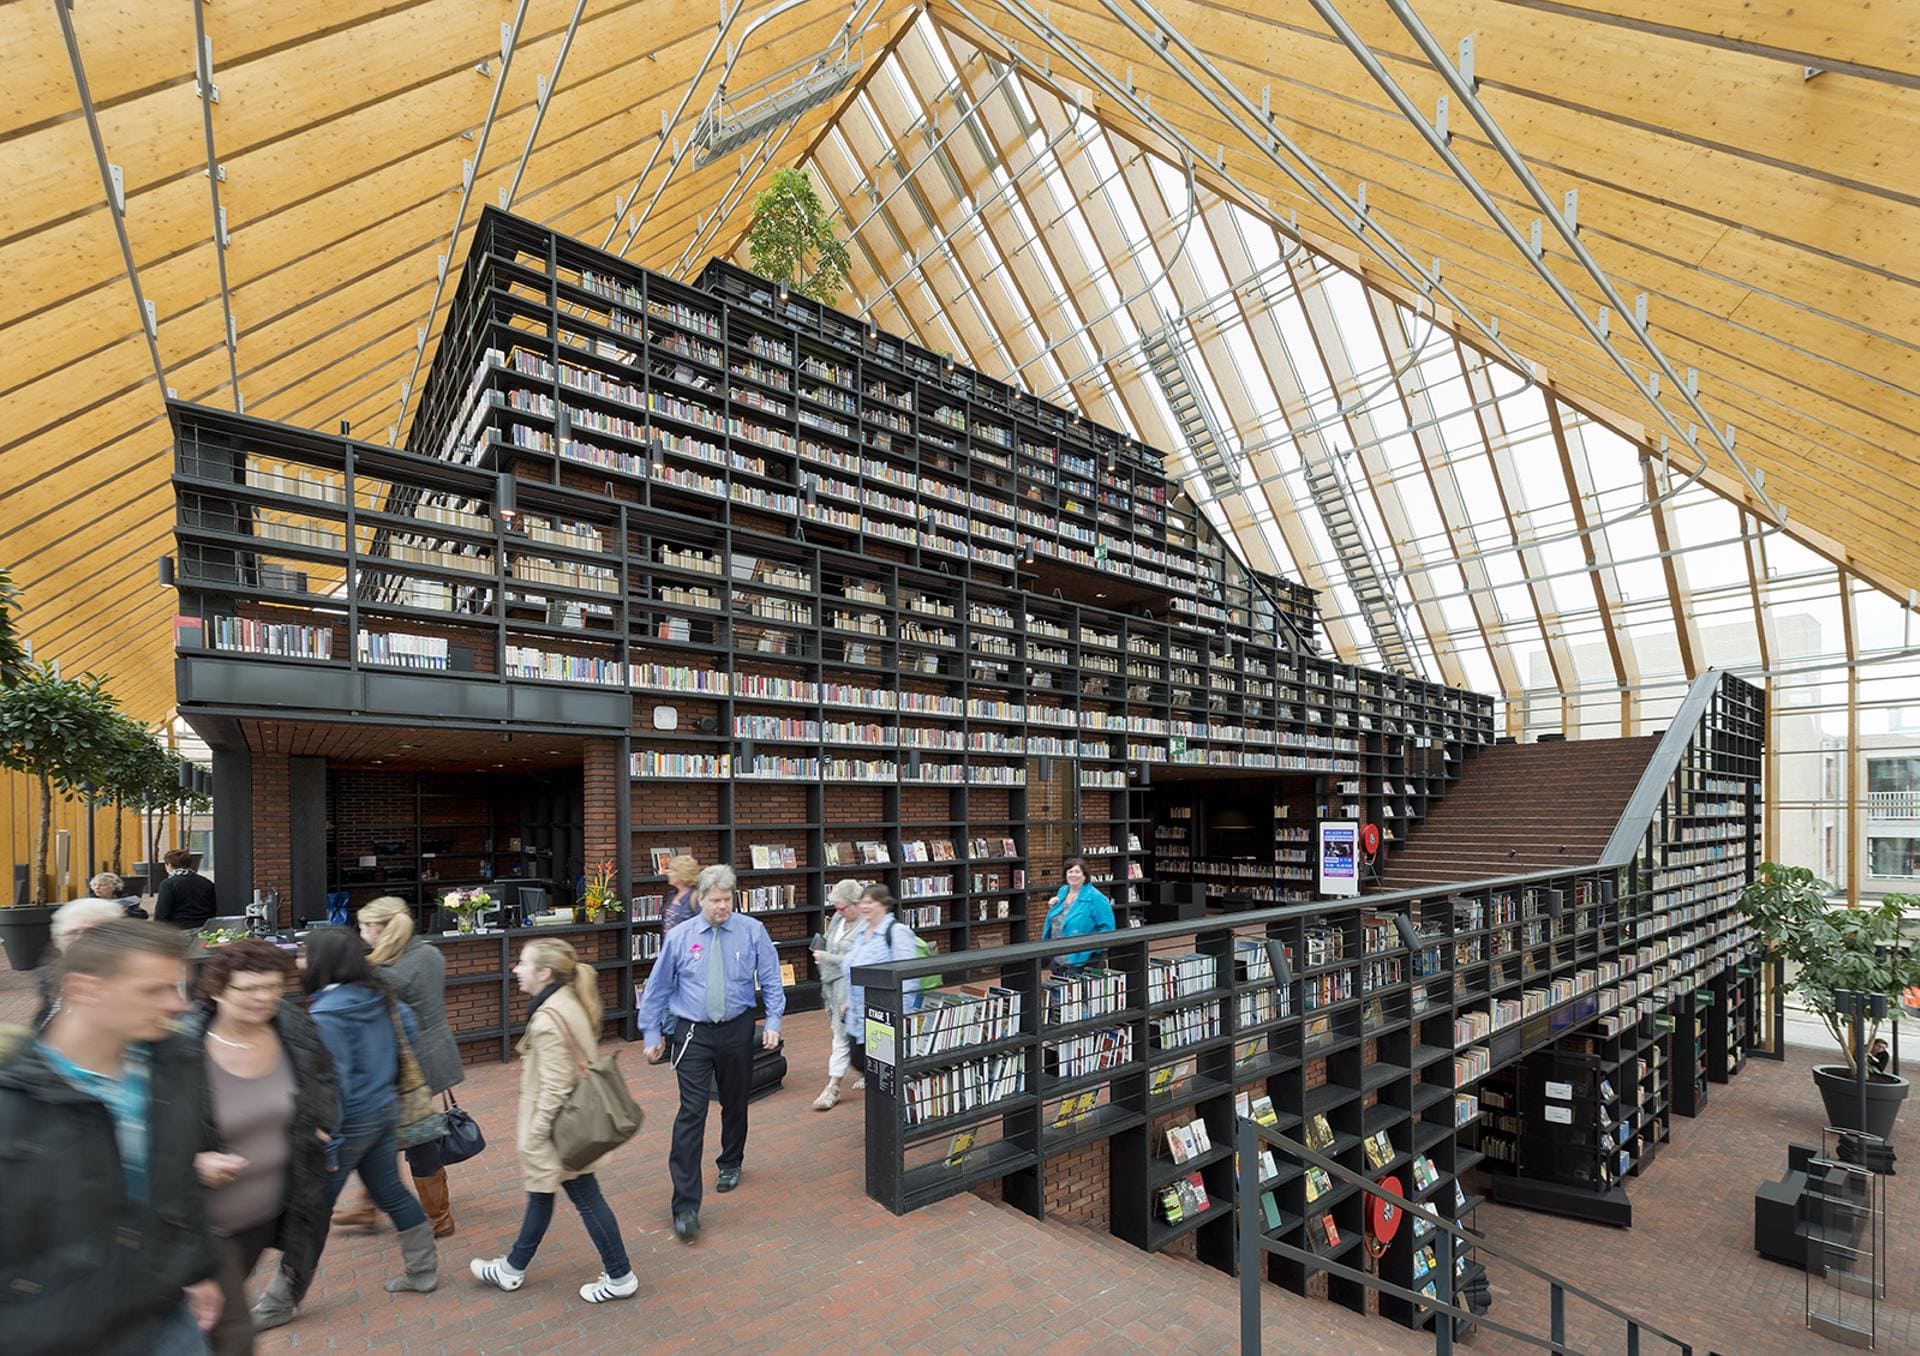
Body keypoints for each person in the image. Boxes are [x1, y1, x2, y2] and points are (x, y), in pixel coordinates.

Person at [0, 919, 222, 1356]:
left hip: (163, 1319)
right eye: (153, 989)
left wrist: (195, 1269)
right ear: (86, 989)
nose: (179, 1004)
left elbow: (177, 1183)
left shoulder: (176, 1064)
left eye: (180, 987)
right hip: (48, 1335)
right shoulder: (13, 1103)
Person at [185, 940, 337, 1356]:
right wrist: (191, 1161)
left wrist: (320, 1122)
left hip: (270, 1212)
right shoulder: (184, 1047)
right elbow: (148, 1129)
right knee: (232, 1334)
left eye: (272, 986)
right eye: (248, 989)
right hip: (206, 1221)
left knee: (207, 1323)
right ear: (217, 989)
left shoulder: (291, 1025)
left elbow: (323, 1076)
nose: (263, 998)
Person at [469, 938, 637, 1303]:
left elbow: (556, 1086)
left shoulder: (546, 1018)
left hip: (560, 1130)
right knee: (543, 1194)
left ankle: (620, 1275)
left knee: (584, 1197)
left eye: (522, 963)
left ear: (544, 973)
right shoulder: (567, 1000)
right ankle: (512, 1269)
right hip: (571, 1124)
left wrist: (536, 1133)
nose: (516, 969)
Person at [638, 863, 784, 1244]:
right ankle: (685, 1206)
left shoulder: (752, 931)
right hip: (693, 1033)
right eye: (715, 900)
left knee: (736, 1102)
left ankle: (730, 1162)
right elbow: (656, 988)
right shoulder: (682, 937)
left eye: (727, 899)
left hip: (737, 1028)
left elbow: (770, 977)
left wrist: (773, 1023)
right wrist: (651, 1031)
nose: (722, 906)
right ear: (700, 898)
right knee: (691, 1112)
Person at [293, 928, 439, 1306]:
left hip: (351, 1121)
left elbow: (334, 1079)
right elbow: (410, 1029)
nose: (299, 961)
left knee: (313, 1209)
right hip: (385, 1108)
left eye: (305, 954)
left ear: (324, 961)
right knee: (389, 1189)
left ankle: (281, 1298)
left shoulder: (325, 1012)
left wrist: (329, 1137)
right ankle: (423, 1272)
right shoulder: (380, 995)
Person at [339, 897, 464, 1237]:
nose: (360, 932)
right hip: (432, 1052)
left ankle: (438, 1218)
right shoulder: (427, 952)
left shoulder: (385, 972)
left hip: (407, 1065)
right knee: (391, 1132)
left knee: (415, 1137)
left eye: (364, 926)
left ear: (378, 928)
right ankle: (370, 1207)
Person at [841, 884, 921, 1078]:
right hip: (858, 1017)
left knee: (884, 1073)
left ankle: (896, 1105)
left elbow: (909, 978)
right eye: (862, 902)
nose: (864, 907)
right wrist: (849, 1002)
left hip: (883, 1018)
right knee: (860, 1062)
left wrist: (902, 1015)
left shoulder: (896, 933)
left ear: (883, 904)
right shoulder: (862, 934)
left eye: (870, 902)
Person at [810, 878, 866, 1110]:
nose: (838, 912)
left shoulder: (866, 926)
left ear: (855, 903)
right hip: (831, 985)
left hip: (851, 988)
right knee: (851, 1035)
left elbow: (859, 961)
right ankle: (867, 1069)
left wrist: (826, 958)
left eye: (842, 907)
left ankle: (832, 1087)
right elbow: (830, 942)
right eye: (836, 908)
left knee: (841, 1037)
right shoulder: (837, 919)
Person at [32, 896, 126, 1028]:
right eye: (72, 933)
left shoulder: (134, 980)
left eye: (92, 932)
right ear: (57, 941)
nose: (80, 940)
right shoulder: (50, 977)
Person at [650, 855, 702, 1063]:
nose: (668, 873)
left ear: (682, 873)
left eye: (672, 870)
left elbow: (702, 928)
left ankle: (674, 1044)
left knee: (674, 1002)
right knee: (664, 999)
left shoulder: (695, 898)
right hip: (668, 956)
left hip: (686, 959)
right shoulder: (672, 895)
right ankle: (671, 1041)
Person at [1042, 857, 1115, 971]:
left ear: (1084, 876)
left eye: (1077, 872)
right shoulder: (1063, 891)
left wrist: (1092, 950)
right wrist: (1053, 907)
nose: (1073, 875)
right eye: (1070, 871)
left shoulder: (1096, 897)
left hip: (1082, 961)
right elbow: (1061, 916)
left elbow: (1108, 927)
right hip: (1058, 958)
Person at [155, 848, 219, 931]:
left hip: (178, 930)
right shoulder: (206, 882)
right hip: (204, 929)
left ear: (169, 865)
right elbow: (213, 908)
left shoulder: (168, 884)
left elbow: (162, 913)